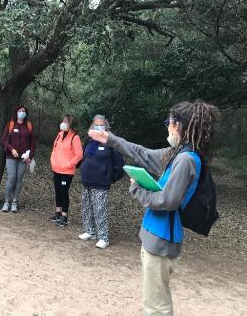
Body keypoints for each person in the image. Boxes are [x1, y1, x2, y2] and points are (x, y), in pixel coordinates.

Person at [89, 101, 219, 316]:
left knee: (156, 308)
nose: (167, 126)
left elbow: (168, 201)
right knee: (154, 303)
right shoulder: (176, 154)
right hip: (155, 238)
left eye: (169, 122)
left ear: (180, 125)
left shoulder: (186, 159)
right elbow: (143, 154)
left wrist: (137, 190)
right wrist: (110, 139)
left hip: (162, 240)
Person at [79, 115, 124, 248]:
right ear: (92, 126)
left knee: (100, 210)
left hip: (101, 183)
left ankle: (104, 237)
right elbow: (84, 156)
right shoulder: (89, 140)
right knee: (86, 208)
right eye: (96, 124)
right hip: (87, 181)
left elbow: (119, 164)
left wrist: (110, 178)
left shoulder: (110, 142)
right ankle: (90, 231)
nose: (98, 127)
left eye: (101, 124)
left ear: (106, 126)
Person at [49, 114, 83, 227]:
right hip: (56, 168)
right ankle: (57, 213)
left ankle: (64, 216)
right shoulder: (59, 134)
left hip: (67, 171)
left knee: (64, 192)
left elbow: (79, 155)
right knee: (57, 190)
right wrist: (52, 160)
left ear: (71, 124)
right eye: (63, 120)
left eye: (66, 121)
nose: (63, 123)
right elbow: (54, 149)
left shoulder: (75, 137)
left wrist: (69, 164)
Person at [1, 105, 36, 213]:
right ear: (16, 113)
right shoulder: (10, 124)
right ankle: (7, 202)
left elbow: (33, 143)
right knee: (11, 177)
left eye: (24, 111)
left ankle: (15, 202)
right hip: (11, 157)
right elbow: (3, 140)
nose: (22, 113)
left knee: (19, 179)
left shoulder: (29, 125)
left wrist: (29, 157)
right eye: (20, 111)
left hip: (24, 158)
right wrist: (11, 149)